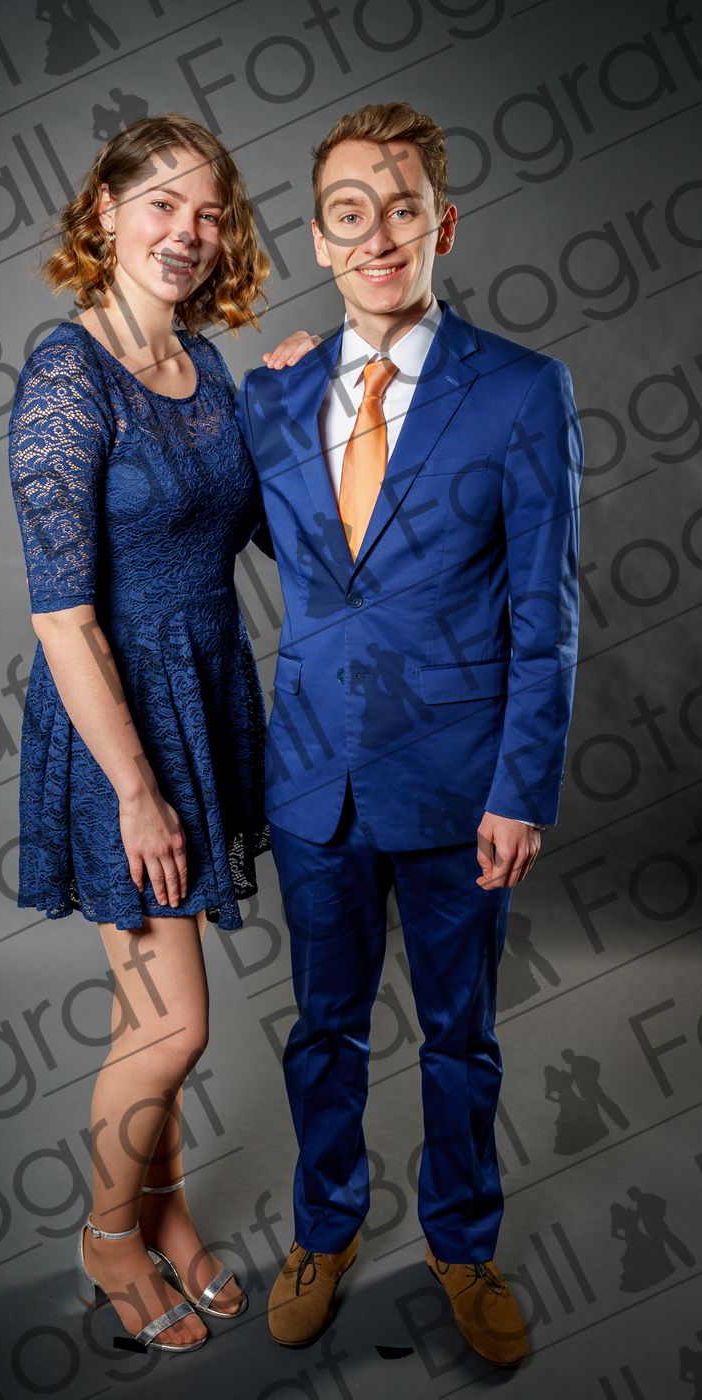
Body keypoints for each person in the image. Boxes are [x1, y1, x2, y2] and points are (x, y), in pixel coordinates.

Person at [236, 101, 584, 1366]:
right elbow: (266, 546)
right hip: (315, 777)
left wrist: (521, 786)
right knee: (322, 1026)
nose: (376, 235)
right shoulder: (272, 398)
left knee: (461, 1034)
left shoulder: (524, 391)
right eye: (349, 213)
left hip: (459, 784)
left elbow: (547, 609)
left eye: (400, 209)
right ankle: (323, 1230)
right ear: (319, 239)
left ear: (442, 224)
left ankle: (463, 1242)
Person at [7, 113, 271, 1354]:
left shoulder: (203, 365)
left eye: (209, 212)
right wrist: (135, 789)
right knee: (179, 1025)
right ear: (105, 210)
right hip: (122, 733)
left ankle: (163, 1208)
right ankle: (109, 1233)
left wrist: (304, 390)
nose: (189, 231)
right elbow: (63, 618)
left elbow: (266, 523)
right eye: (163, 202)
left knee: (143, 1017)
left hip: (203, 705)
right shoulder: (67, 376)